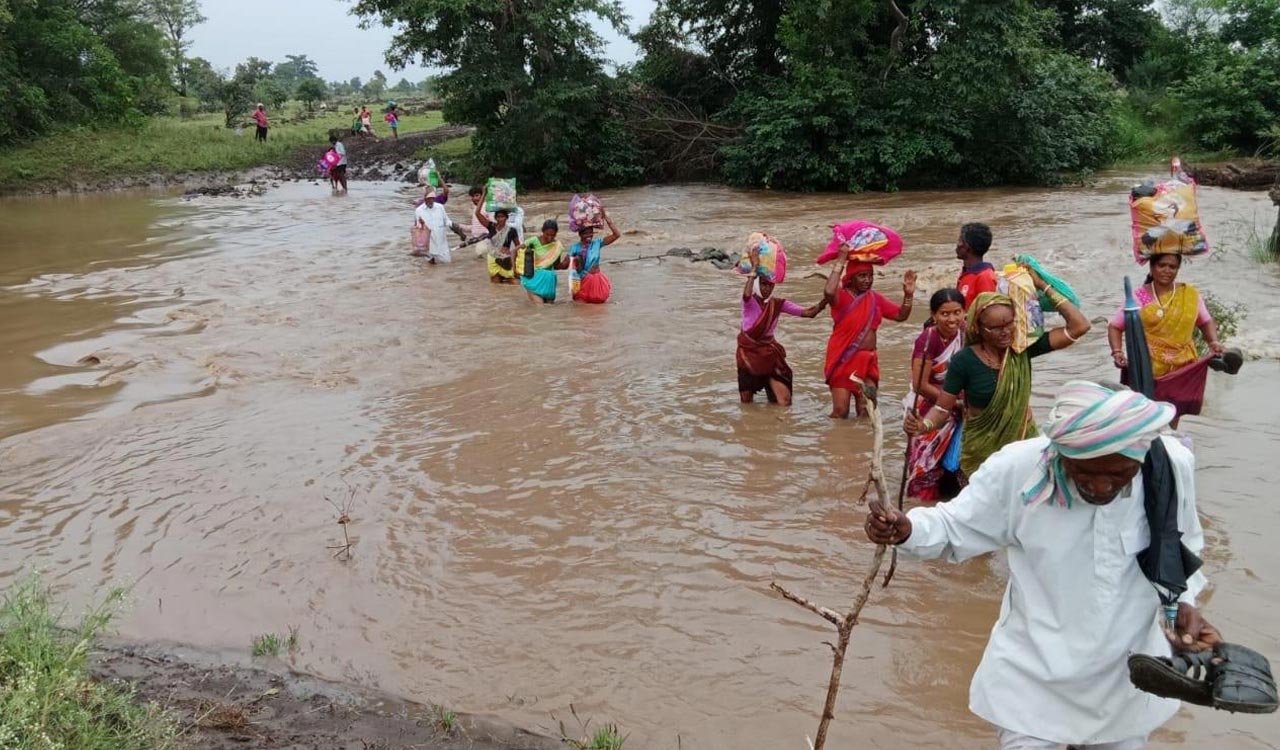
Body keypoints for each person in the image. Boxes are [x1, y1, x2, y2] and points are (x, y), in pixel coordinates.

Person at [866, 380, 1213, 750]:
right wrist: (906, 529)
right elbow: (954, 526)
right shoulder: (1018, 470)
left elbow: (1184, 544)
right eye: (1085, 472)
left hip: (1125, 683)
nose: (1099, 486)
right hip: (1032, 683)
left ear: (1140, 456)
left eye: (1118, 475)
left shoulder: (1171, 467)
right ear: (1060, 452)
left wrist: (1183, 604)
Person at [906, 270, 1091, 477]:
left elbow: (1080, 326)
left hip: (1022, 443)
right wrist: (922, 426)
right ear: (980, 328)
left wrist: (1042, 285)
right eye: (995, 328)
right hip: (982, 451)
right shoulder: (964, 360)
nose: (1005, 332)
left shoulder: (1022, 350)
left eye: (1009, 324)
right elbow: (942, 408)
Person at [1107, 253, 1240, 428]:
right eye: (1162, 265)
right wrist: (1117, 352)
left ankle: (1169, 443)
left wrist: (1213, 342)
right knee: (1145, 415)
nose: (1167, 270)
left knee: (1172, 414)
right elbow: (1115, 326)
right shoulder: (1141, 296)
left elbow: (1205, 321)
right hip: (1147, 367)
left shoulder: (1189, 295)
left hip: (1181, 368)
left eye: (1172, 267)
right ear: (1152, 267)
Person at [821, 249, 917, 418]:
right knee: (840, 412)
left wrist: (908, 295)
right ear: (851, 279)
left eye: (870, 276)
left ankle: (862, 442)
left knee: (867, 412)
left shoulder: (875, 299)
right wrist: (841, 259)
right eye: (862, 276)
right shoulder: (841, 298)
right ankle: (833, 441)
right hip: (844, 359)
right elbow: (828, 291)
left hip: (868, 361)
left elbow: (901, 315)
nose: (867, 280)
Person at [737, 246, 827, 406]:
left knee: (784, 402)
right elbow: (746, 294)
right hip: (748, 355)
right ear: (757, 284)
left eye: (770, 285)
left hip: (769, 354)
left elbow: (809, 313)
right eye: (764, 284)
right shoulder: (749, 302)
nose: (767, 289)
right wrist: (755, 267)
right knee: (746, 404)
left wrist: (826, 300)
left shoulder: (778, 304)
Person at [904, 288, 968, 503]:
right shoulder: (927, 340)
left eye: (957, 312)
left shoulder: (966, 333)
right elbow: (919, 384)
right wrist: (953, 402)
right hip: (933, 404)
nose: (952, 319)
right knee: (926, 461)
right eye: (945, 314)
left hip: (961, 402)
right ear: (934, 315)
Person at [568, 208, 621, 304]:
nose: (589, 235)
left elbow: (616, 235)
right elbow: (570, 268)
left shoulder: (597, 243)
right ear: (580, 234)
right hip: (583, 281)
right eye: (586, 233)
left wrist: (608, 220)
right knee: (581, 310)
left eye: (591, 233)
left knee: (598, 311)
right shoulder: (574, 248)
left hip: (597, 280)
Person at [474, 194, 524, 284]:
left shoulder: (511, 230)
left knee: (516, 283)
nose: (500, 219)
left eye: (502, 217)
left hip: (506, 259)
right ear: (495, 218)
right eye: (498, 217)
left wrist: (516, 265)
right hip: (493, 259)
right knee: (496, 284)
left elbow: (518, 247)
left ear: (506, 218)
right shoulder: (491, 227)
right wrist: (484, 194)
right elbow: (477, 213)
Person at [412, 186, 468, 263]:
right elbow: (417, 229)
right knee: (431, 269)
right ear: (424, 198)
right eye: (429, 198)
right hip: (429, 245)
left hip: (441, 245)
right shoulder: (419, 210)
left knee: (447, 264)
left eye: (432, 198)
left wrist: (460, 233)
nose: (431, 200)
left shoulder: (440, 207)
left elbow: (448, 223)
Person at [517, 220, 567, 303]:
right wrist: (515, 269)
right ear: (542, 231)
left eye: (553, 235)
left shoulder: (557, 246)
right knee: (540, 307)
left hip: (549, 283)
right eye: (547, 234)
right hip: (534, 280)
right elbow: (514, 251)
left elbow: (557, 266)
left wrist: (566, 262)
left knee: (548, 310)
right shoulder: (534, 241)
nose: (550, 237)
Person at [956, 222, 998, 308]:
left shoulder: (985, 277)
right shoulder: (966, 272)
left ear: (967, 246)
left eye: (960, 240)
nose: (957, 244)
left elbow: (988, 312)